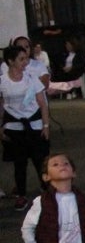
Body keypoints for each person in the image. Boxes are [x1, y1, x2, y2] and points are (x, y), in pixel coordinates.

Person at [1, 44, 50, 212]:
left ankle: (47, 191)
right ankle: (21, 195)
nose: (25, 62)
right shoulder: (2, 81)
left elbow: (42, 104)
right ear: (10, 61)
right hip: (14, 127)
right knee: (19, 164)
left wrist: (45, 125)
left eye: (26, 59)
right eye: (21, 59)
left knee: (40, 161)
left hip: (35, 125)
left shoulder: (31, 79)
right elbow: (1, 106)